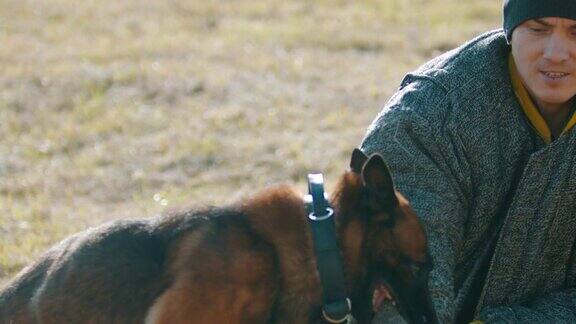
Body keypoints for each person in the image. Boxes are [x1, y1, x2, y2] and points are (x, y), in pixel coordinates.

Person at [361, 0, 576, 322]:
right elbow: (397, 281)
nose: (556, 52)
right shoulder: (429, 116)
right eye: (538, 29)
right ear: (511, 30)